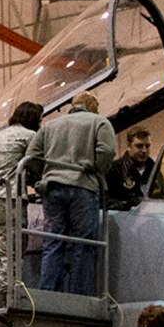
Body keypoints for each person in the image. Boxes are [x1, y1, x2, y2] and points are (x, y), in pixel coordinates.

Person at [22, 90, 115, 295]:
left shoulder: (50, 126)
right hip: (83, 187)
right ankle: (78, 294)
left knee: (53, 242)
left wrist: (46, 172)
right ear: (91, 105)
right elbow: (107, 152)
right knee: (83, 244)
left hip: (53, 188)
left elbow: (32, 155)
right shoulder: (99, 122)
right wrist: (96, 169)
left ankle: (49, 293)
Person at [0, 101, 44, 309]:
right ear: (33, 119)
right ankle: (8, 301)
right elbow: (39, 166)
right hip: (8, 197)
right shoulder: (29, 136)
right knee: (10, 252)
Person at [103, 126, 153, 211]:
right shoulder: (114, 170)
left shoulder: (154, 169)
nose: (144, 150)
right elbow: (103, 200)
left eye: (147, 146)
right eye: (139, 146)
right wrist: (126, 205)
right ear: (129, 146)